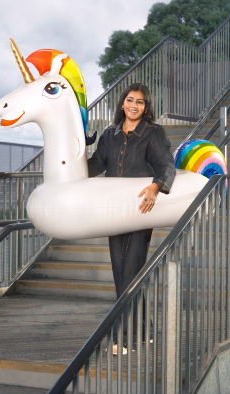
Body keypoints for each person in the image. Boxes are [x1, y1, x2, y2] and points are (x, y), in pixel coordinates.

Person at [87, 83, 175, 354]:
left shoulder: (153, 133)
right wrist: (72, 148)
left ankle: (124, 336)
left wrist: (156, 185)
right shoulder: (109, 135)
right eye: (130, 100)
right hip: (114, 211)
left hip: (140, 211)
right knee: (121, 273)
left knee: (130, 271)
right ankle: (145, 329)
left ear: (146, 107)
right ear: (122, 103)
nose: (134, 105)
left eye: (140, 102)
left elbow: (166, 165)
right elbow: (95, 166)